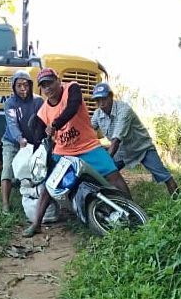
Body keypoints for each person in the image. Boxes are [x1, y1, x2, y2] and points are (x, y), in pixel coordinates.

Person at [22, 68, 132, 237]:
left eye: (50, 82)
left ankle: (131, 209)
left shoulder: (71, 89)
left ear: (58, 80)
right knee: (48, 184)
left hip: (88, 146)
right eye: (43, 86)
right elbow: (37, 131)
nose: (48, 88)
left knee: (113, 175)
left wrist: (55, 125)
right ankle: (36, 223)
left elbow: (72, 108)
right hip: (63, 151)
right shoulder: (44, 110)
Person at [90, 82, 179, 197]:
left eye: (104, 99)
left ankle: (178, 202)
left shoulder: (124, 110)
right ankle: (121, 203)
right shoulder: (97, 114)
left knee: (164, 176)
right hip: (121, 152)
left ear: (111, 96)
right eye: (97, 101)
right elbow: (88, 130)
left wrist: (105, 161)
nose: (101, 104)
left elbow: (116, 140)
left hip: (141, 148)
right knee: (103, 175)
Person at [1, 70, 45, 213]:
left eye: (25, 85)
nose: (22, 89)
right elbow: (12, 124)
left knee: (37, 171)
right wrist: (20, 139)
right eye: (19, 86)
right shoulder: (9, 103)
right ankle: (5, 204)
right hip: (12, 141)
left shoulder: (38, 101)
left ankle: (36, 200)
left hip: (33, 143)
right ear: (14, 87)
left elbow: (42, 122)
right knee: (7, 168)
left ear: (30, 86)